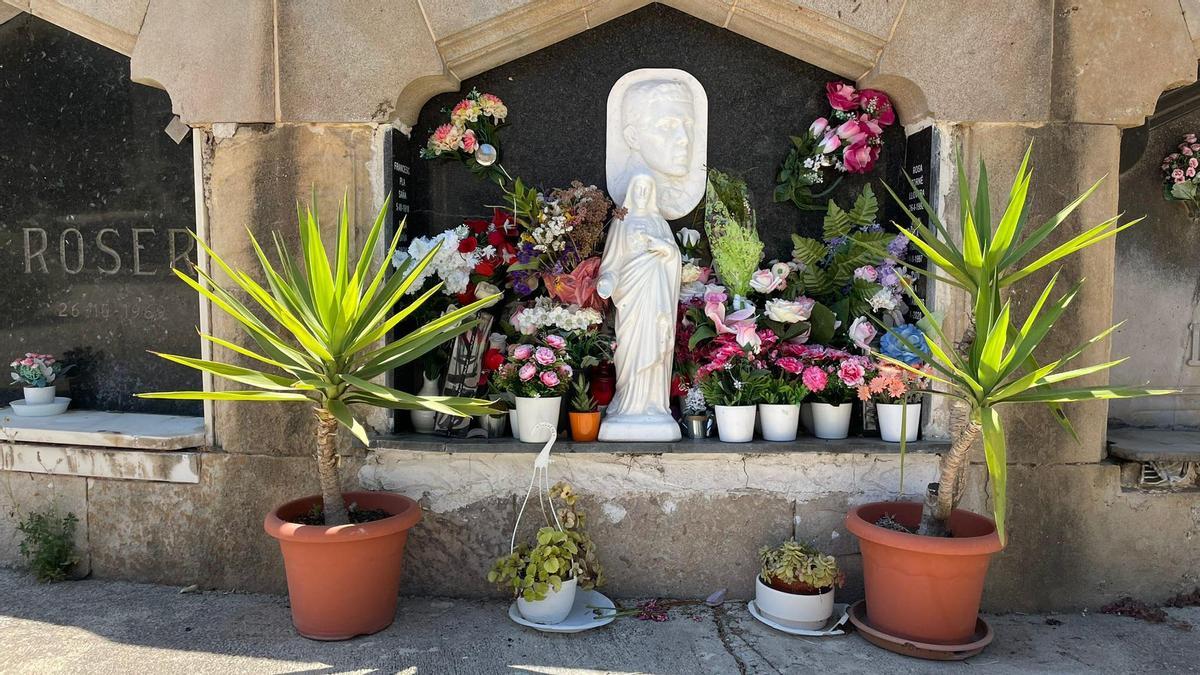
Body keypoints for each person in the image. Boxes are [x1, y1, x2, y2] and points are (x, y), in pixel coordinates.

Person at [596, 174, 682, 441]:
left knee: (655, 343)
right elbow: (612, 261)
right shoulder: (622, 221)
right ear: (632, 191)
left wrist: (663, 248)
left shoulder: (659, 222)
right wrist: (607, 281)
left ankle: (653, 405)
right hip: (631, 296)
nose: (643, 193)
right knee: (630, 347)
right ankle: (628, 401)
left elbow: (674, 257)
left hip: (656, 294)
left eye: (647, 189)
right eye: (639, 188)